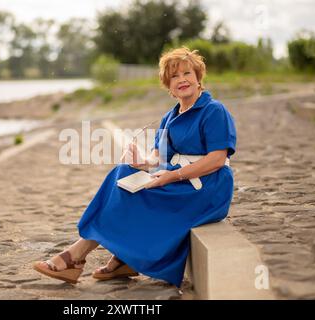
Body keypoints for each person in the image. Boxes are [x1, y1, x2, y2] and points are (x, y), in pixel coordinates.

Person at [33, 46, 237, 288]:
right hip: (179, 180)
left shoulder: (213, 110)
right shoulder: (170, 117)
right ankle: (121, 260)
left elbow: (216, 159)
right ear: (168, 86)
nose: (181, 80)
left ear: (198, 77)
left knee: (133, 192)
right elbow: (158, 159)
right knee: (123, 173)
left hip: (207, 189)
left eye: (187, 74)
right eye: (174, 76)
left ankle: (76, 257)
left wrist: (172, 176)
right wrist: (141, 161)